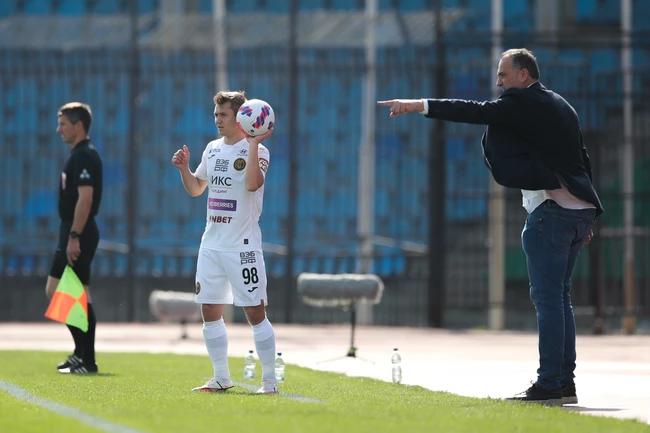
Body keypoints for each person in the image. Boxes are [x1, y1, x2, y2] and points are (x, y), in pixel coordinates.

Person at [378, 48, 603, 406]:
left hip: (552, 212)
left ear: (524, 75)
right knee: (560, 299)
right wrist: (589, 212)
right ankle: (564, 382)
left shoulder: (521, 102)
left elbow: (474, 110)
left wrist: (418, 105)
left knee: (549, 300)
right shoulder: (561, 104)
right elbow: (583, 157)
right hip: (577, 211)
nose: (498, 82)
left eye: (503, 74)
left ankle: (550, 383)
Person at [171, 90, 278, 394]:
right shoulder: (212, 149)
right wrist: (184, 170)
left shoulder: (258, 151)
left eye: (224, 115)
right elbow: (196, 189)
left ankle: (270, 380)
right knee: (209, 310)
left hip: (242, 246)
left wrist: (254, 144)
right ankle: (221, 377)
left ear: (240, 117)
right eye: (216, 114)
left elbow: (253, 184)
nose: (218, 120)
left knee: (255, 312)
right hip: (211, 245)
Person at [47, 102, 103, 374]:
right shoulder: (79, 154)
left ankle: (87, 359)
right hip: (75, 230)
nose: (59, 130)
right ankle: (81, 354)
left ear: (78, 125)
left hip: (78, 231)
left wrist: (74, 236)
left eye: (63, 124)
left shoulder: (84, 155)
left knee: (63, 291)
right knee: (74, 293)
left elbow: (86, 199)